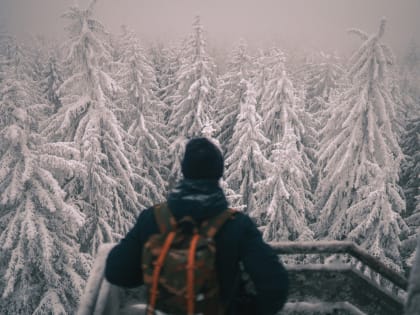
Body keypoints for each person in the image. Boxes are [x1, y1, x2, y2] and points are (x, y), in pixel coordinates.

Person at [105, 137, 289, 315]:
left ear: (184, 171)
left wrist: (159, 272)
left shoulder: (152, 219)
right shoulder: (237, 225)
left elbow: (116, 272)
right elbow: (275, 286)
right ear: (218, 173)